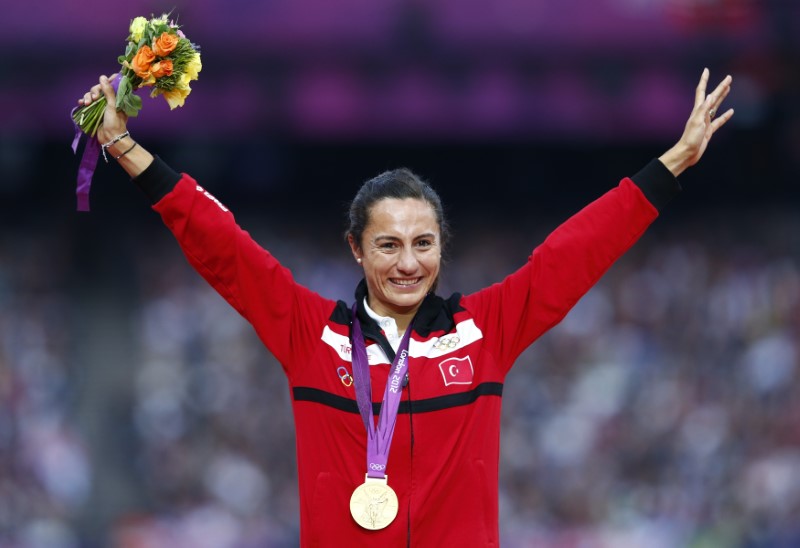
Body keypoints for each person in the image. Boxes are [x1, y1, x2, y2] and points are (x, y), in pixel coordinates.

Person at [78, 68, 733, 547]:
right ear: (356, 251)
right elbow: (224, 248)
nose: (408, 262)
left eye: (423, 243)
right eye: (387, 245)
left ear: (442, 249)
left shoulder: (485, 332)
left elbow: (575, 254)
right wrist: (125, 148)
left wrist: (671, 164)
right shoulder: (312, 334)